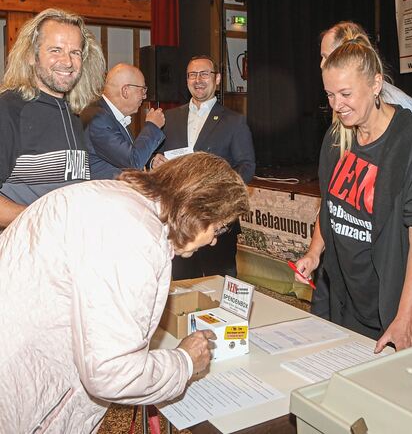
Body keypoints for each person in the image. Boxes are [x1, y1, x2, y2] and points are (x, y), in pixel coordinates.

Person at [0, 152, 250, 432]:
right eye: (217, 228)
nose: (214, 241)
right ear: (197, 211)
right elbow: (111, 372)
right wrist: (184, 362)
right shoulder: (135, 237)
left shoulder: (117, 201)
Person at [295, 35, 412, 355]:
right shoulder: (337, 138)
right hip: (352, 300)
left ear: (376, 84)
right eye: (330, 95)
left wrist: (406, 316)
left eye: (346, 94)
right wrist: (314, 253)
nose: (337, 105)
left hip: (400, 303)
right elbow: (331, 206)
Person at [0, 8, 105, 228]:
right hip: (25, 254)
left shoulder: (72, 113)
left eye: (75, 52)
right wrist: (45, 216)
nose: (67, 62)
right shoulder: (8, 108)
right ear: (31, 55)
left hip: (66, 252)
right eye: (55, 50)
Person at [154, 55, 255, 279]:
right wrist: (155, 161)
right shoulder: (168, 118)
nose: (198, 80)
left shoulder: (234, 121)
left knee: (219, 283)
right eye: (192, 75)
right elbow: (154, 155)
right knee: (179, 286)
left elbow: (246, 167)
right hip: (178, 220)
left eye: (204, 74)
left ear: (217, 79)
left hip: (217, 221)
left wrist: (220, 198)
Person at [84, 63, 165, 179]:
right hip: (106, 194)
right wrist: (152, 126)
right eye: (142, 90)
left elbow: (121, 155)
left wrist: (150, 161)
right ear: (125, 91)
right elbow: (132, 162)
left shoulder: (111, 115)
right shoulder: (99, 119)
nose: (144, 96)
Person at [320, 21, 412, 114]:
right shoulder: (341, 104)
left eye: (327, 58)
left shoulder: (400, 104)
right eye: (330, 95)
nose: (322, 64)